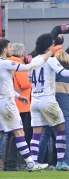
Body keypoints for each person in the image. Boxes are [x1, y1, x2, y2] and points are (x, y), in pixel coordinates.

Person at [28, 33, 69, 171]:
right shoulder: (49, 60)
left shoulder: (33, 61)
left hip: (35, 101)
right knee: (62, 129)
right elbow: (64, 72)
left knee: (37, 133)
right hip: (48, 100)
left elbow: (29, 80)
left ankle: (34, 163)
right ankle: (62, 162)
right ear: (48, 46)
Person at [0, 38, 52, 171]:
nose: (11, 49)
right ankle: (31, 164)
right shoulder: (5, 63)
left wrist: (18, 95)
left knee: (2, 134)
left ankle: (30, 164)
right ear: (5, 49)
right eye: (10, 46)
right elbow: (28, 67)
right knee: (19, 132)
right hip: (7, 103)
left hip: (2, 101)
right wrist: (45, 57)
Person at [37, 51, 69, 171]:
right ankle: (64, 162)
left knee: (45, 135)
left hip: (49, 106)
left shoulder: (51, 70)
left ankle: (38, 162)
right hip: (64, 107)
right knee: (66, 135)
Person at [4, 43, 33, 171]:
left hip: (11, 102)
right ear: (22, 53)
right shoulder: (16, 64)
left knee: (9, 135)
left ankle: (8, 163)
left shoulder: (6, 62)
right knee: (19, 135)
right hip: (21, 106)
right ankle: (13, 163)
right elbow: (24, 83)